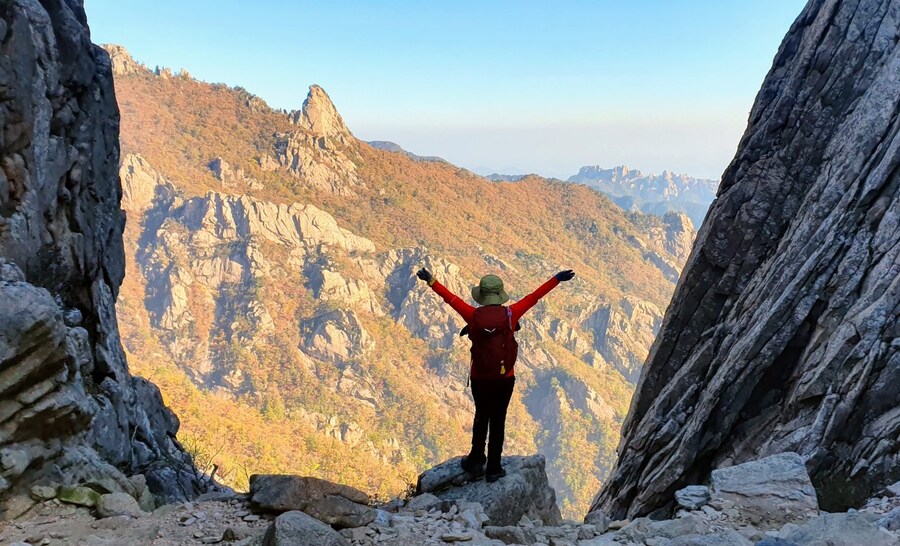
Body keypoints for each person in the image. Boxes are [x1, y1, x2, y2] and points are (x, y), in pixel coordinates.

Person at [415, 267, 576, 482]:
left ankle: (475, 460)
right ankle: (493, 468)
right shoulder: (512, 313)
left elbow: (450, 299)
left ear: (482, 296)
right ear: (500, 295)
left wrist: (431, 280)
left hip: (480, 378)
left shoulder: (472, 315)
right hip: (504, 378)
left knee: (481, 416)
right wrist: (557, 279)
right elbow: (535, 296)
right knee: (498, 420)